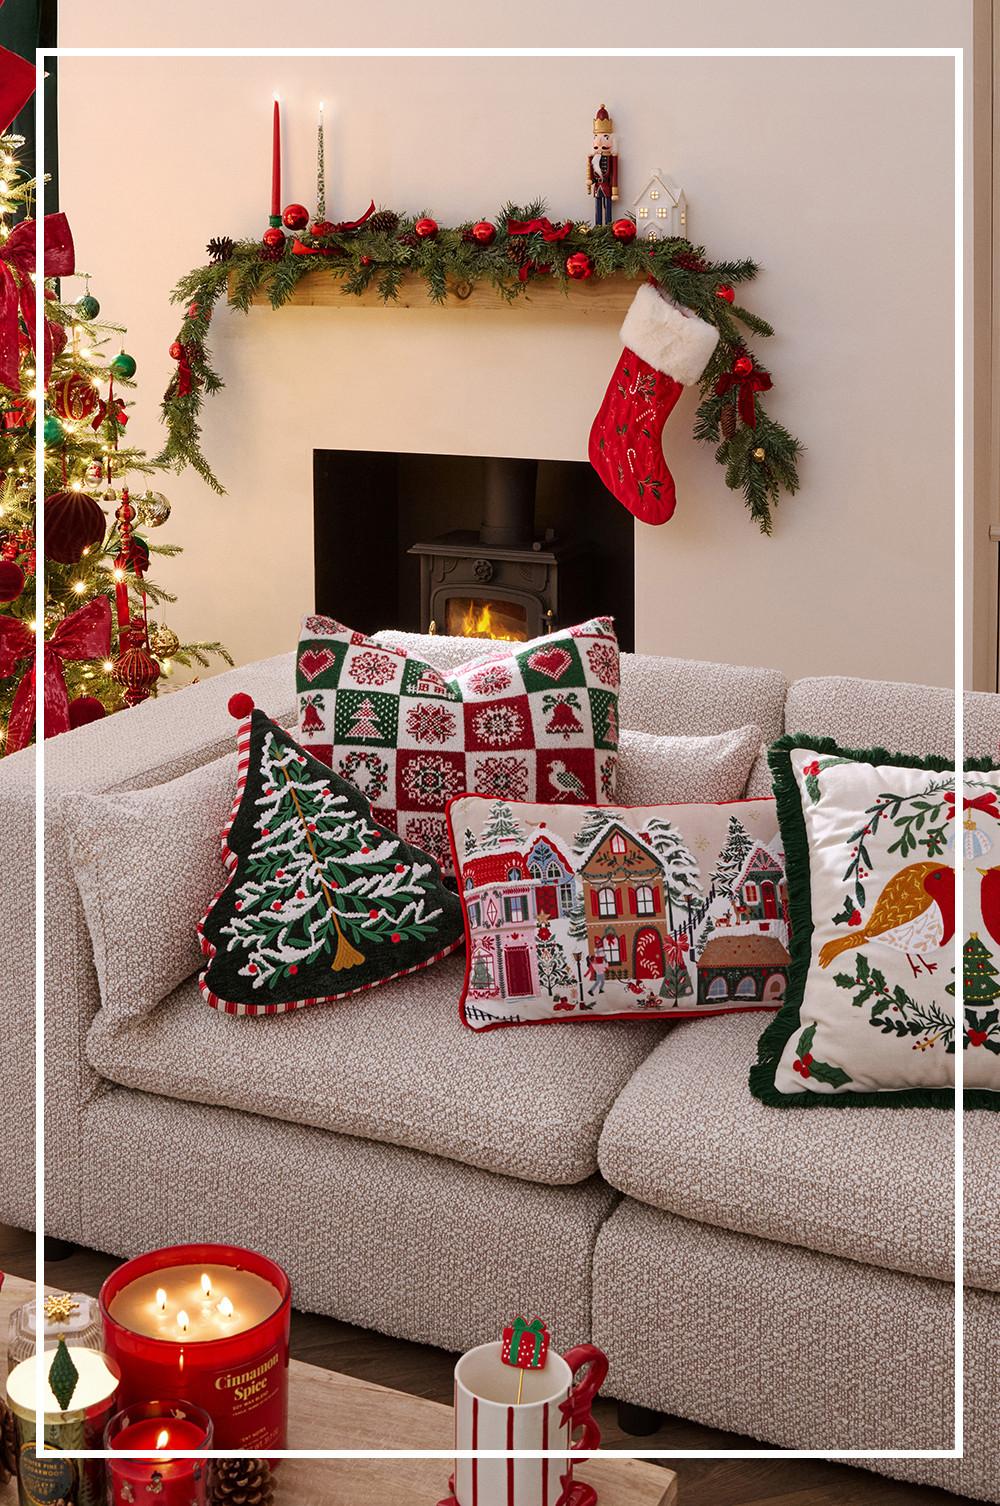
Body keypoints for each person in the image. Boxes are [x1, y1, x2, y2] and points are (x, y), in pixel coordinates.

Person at [587, 105, 619, 226]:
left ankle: (609, 226)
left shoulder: (613, 157)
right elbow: (591, 171)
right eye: (596, 137)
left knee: (608, 209)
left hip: (607, 186)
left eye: (604, 137)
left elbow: (614, 174)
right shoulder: (593, 157)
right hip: (597, 187)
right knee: (598, 208)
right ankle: (598, 226)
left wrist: (615, 191)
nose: (599, 142)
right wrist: (590, 180)